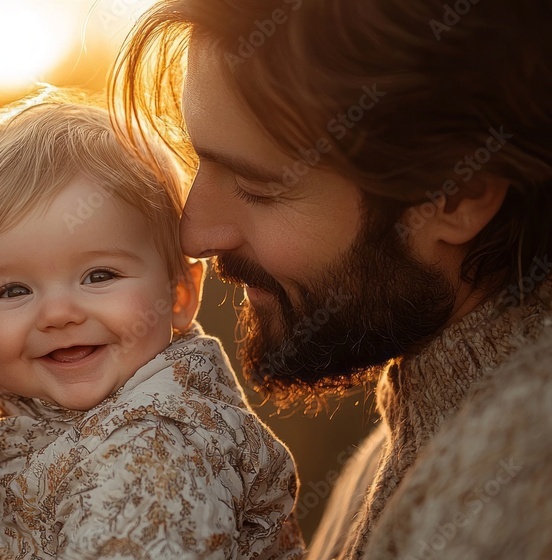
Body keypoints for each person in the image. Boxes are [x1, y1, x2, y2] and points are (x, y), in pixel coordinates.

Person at [114, 0, 552, 558]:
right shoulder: (400, 446)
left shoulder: (525, 476)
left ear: (456, 194)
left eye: (258, 188)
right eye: (200, 162)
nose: (193, 236)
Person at [0, 96, 303, 559]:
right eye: (12, 291)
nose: (57, 314)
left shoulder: (156, 451)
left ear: (180, 294)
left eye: (99, 276)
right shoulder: (58, 437)